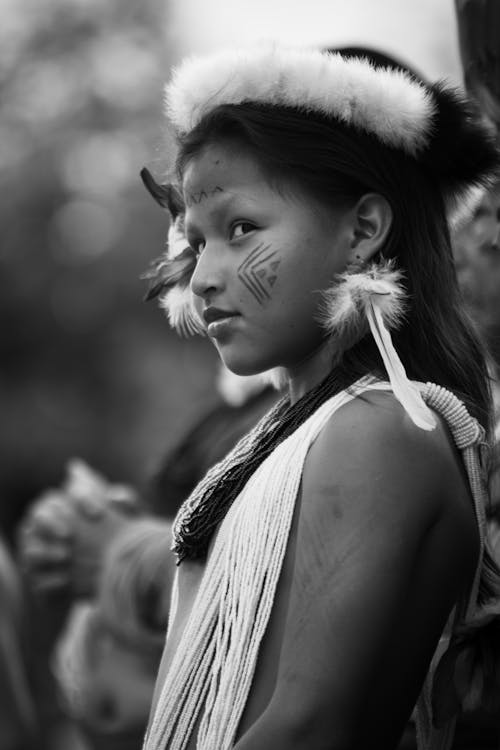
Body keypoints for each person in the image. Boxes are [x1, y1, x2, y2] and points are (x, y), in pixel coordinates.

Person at [138, 44, 500, 750]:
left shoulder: (383, 427)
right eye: (196, 239)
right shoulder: (297, 432)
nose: (205, 276)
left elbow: (306, 727)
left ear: (363, 229)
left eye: (242, 230)